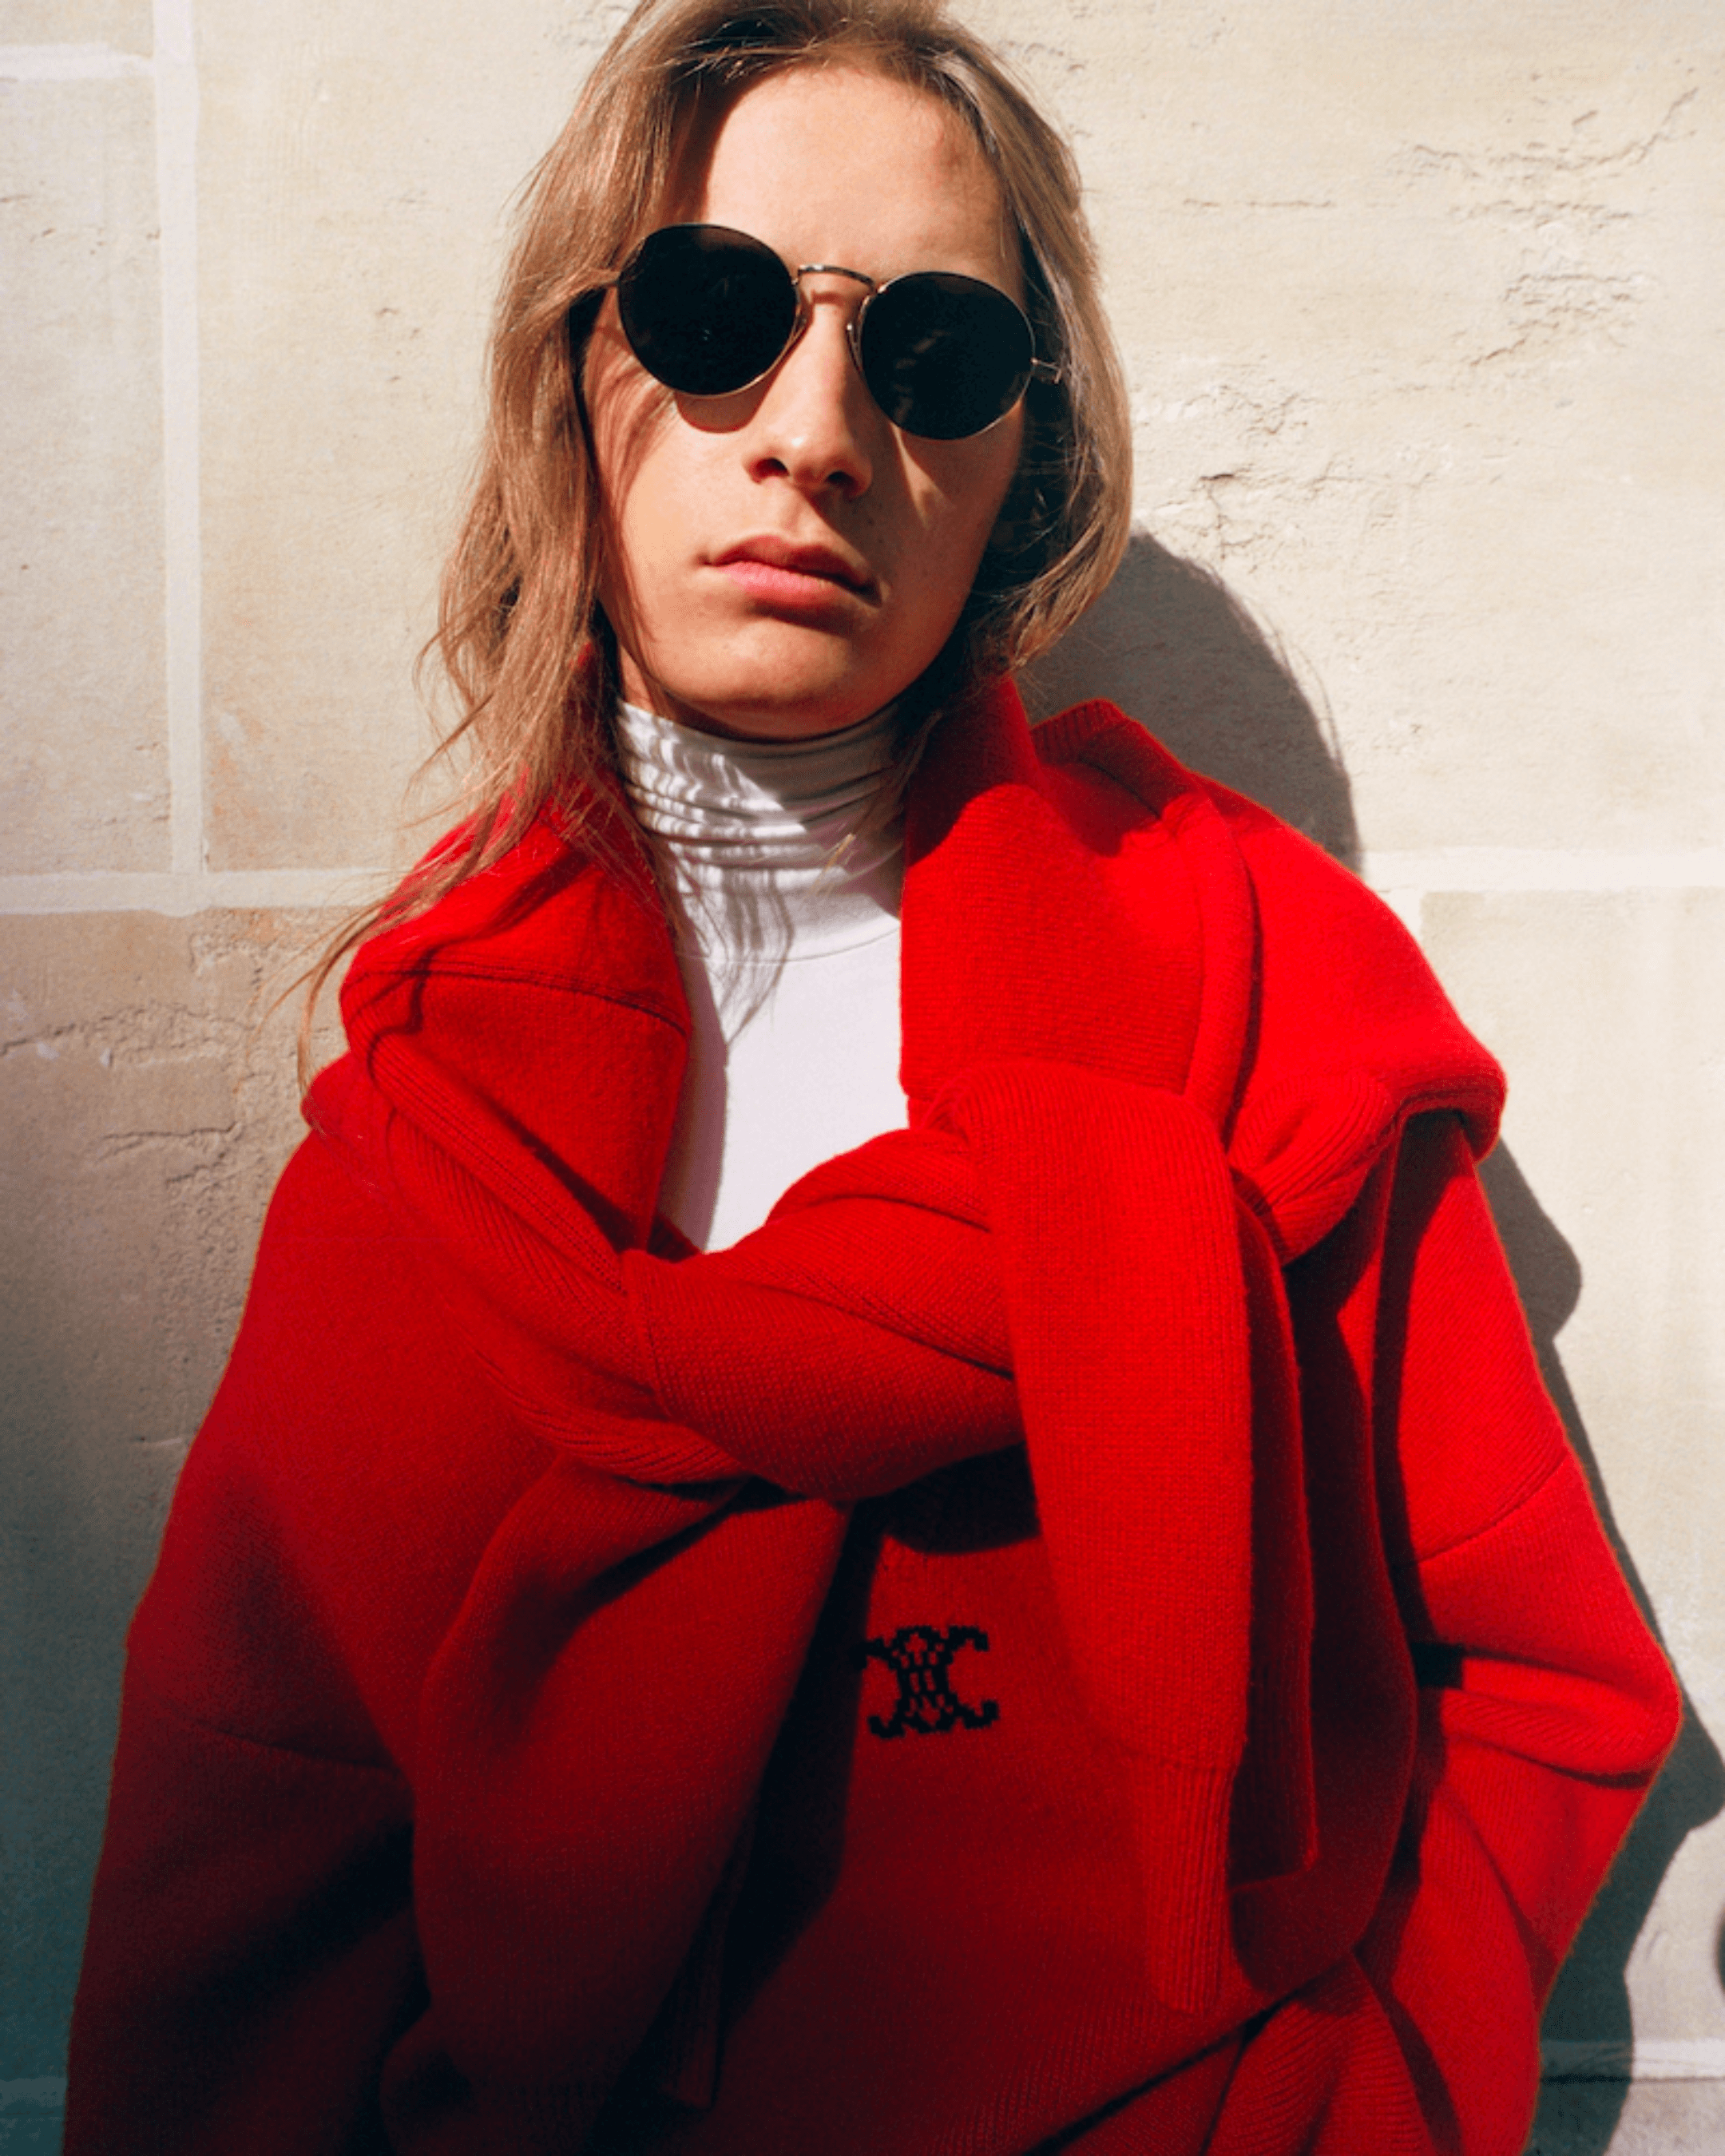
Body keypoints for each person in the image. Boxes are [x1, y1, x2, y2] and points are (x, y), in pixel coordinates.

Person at [66, 2, 1679, 2150]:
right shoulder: (432, 1128)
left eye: (932, 353)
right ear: (574, 375)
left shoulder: (1257, 987)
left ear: (1023, 473)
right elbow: (245, 1907)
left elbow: (1551, 1676)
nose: (815, 430)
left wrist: (1358, 2107)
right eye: (713, 313)